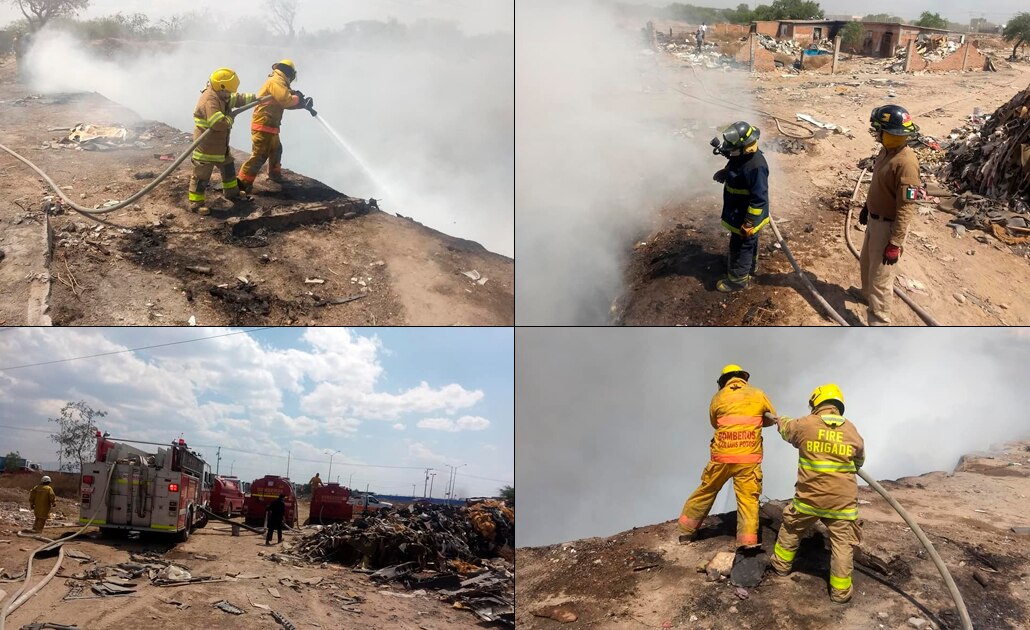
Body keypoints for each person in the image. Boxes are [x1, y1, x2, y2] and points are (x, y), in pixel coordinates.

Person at [769, 384, 865, 604]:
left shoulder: (805, 424)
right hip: (842, 502)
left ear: (816, 403)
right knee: (842, 544)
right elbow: (860, 460)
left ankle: (780, 567)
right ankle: (840, 593)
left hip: (809, 499)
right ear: (838, 405)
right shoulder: (851, 430)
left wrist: (781, 420)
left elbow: (787, 431)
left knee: (792, 526)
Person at [678, 365, 776, 547]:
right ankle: (747, 543)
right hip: (748, 458)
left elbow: (715, 423)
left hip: (722, 457)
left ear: (724, 381)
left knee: (706, 490)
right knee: (748, 500)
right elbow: (771, 419)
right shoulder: (757, 394)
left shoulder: (718, 397)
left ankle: (685, 533)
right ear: (743, 378)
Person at [857, 104, 923, 325]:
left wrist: (895, 243)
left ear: (889, 132)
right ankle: (866, 298)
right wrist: (868, 207)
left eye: (879, 130)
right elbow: (878, 185)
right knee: (866, 264)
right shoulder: (886, 151)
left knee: (881, 280)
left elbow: (906, 208)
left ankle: (879, 323)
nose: (876, 134)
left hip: (888, 228)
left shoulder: (906, 163)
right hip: (875, 221)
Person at [189, 68, 259, 215]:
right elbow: (217, 123)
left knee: (228, 169)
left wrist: (255, 97)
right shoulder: (210, 100)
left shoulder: (222, 95)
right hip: (206, 147)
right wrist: (230, 119)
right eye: (228, 91)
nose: (229, 95)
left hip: (220, 145)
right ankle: (196, 203)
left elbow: (236, 98)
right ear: (221, 87)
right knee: (201, 176)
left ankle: (232, 193)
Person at [237, 59, 313, 193]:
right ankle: (242, 183)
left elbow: (284, 102)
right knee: (259, 155)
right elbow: (286, 101)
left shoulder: (280, 82)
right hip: (263, 124)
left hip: (270, 125)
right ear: (289, 72)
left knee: (276, 149)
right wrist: (298, 99)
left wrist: (302, 104)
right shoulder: (275, 82)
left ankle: (274, 174)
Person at [711, 121, 770, 292]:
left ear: (745, 145)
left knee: (740, 246)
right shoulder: (743, 155)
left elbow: (759, 199)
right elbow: (736, 164)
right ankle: (749, 268)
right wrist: (726, 173)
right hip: (738, 211)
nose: (728, 149)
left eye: (732, 147)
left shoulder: (756, 166)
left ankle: (737, 281)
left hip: (744, 216)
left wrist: (750, 221)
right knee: (749, 244)